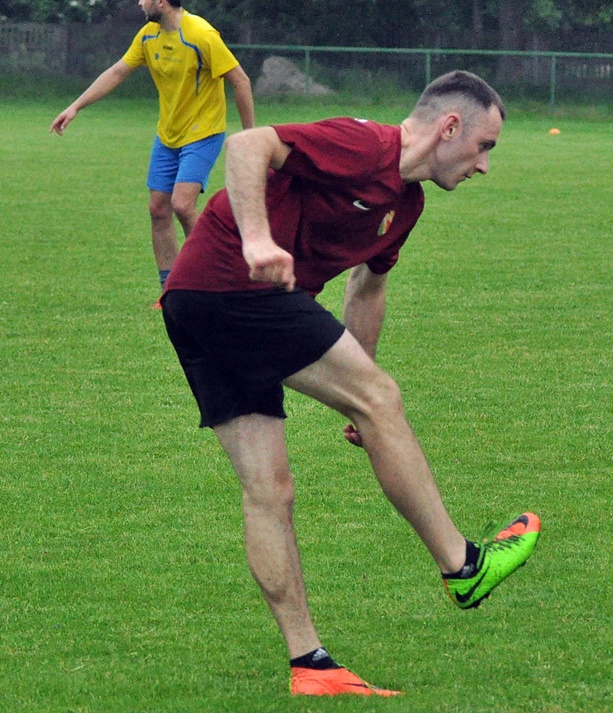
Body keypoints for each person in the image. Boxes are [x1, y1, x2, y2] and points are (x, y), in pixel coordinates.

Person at [159, 70, 540, 696]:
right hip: (231, 285)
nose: (484, 167)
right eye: (484, 147)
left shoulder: (406, 206)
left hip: (197, 305)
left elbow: (369, 285)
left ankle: (310, 665)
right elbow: (248, 144)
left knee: (269, 489)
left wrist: (357, 394)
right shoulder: (366, 146)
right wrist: (258, 239)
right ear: (450, 127)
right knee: (381, 396)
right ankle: (463, 567)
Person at [51, 0, 256, 306]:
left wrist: (252, 139)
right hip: (168, 135)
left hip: (202, 133)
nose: (139, 2)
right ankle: (171, 288)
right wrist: (75, 107)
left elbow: (241, 81)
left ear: (161, 1)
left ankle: (218, 273)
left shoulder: (201, 34)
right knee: (158, 209)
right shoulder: (148, 35)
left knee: (182, 205)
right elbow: (118, 71)